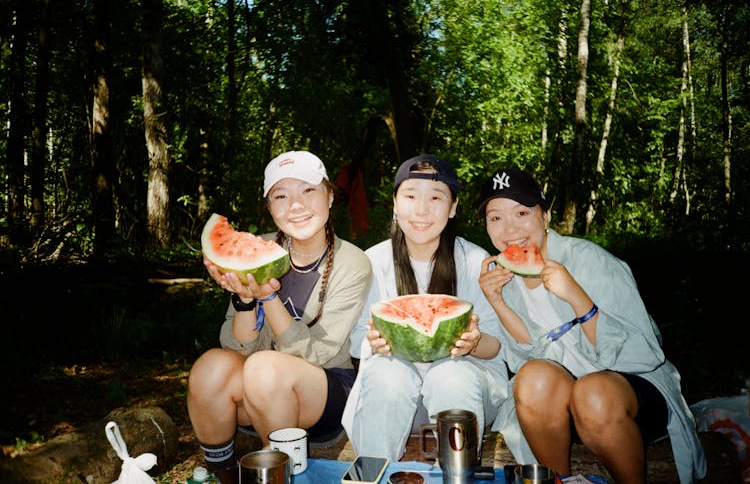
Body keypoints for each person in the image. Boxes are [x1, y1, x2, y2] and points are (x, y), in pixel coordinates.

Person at [476, 167, 707, 484]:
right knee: (531, 377)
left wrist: (576, 296)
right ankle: (560, 481)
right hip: (563, 410)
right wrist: (498, 302)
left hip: (631, 398)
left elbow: (646, 353)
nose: (509, 228)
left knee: (592, 391)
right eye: (495, 217)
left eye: (520, 212)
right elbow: (525, 361)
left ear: (545, 217)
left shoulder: (591, 260)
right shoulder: (506, 280)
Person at [187, 151, 372, 481]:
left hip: (325, 392)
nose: (296, 205)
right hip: (259, 389)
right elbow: (237, 347)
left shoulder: (352, 263)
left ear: (329, 196)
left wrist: (269, 297)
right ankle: (222, 475)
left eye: (308, 190)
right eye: (281, 196)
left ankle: (280, 477)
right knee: (210, 367)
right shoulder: (259, 247)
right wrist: (245, 300)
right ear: (270, 207)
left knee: (264, 367)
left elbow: (322, 352)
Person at [341, 154, 510, 462]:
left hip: (467, 393)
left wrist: (473, 344)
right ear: (395, 202)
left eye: (435, 197)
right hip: (392, 396)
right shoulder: (372, 262)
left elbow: (497, 345)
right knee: (388, 375)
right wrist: (374, 341)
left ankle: (459, 474)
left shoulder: (474, 261)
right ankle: (372, 474)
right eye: (410, 196)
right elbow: (356, 341)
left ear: (453, 206)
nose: (421, 210)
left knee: (450, 376)